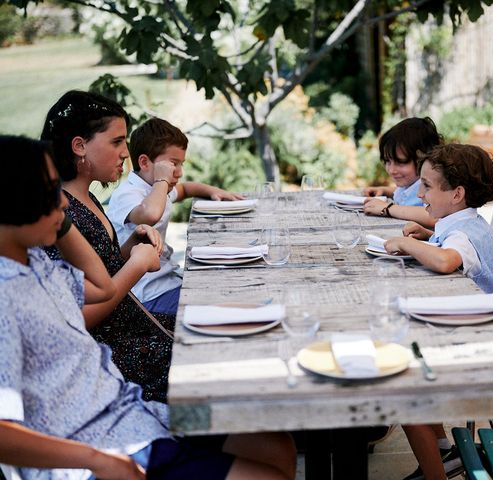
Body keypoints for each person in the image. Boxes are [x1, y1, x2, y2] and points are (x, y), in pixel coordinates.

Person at [0, 135, 296, 480]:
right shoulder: (5, 298)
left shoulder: (38, 265)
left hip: (133, 417)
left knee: (275, 444)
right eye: (50, 192)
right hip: (98, 452)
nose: (63, 203)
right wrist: (96, 459)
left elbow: (102, 285)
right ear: (11, 199)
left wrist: (58, 220)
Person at [40, 90, 174, 403]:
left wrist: (131, 246)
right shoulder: (56, 215)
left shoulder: (87, 197)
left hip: (131, 326)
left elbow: (101, 266)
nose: (125, 153)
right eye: (116, 142)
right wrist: (137, 265)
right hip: (110, 350)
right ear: (79, 146)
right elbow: (78, 318)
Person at [384, 143, 493, 480]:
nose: (419, 192)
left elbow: (448, 260)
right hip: (468, 329)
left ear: (456, 194)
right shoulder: (461, 223)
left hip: (477, 343)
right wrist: (429, 234)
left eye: (428, 186)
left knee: (401, 388)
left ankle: (434, 473)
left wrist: (408, 244)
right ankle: (441, 451)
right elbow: (448, 246)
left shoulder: (463, 233)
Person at [107, 117, 243, 316]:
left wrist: (213, 191)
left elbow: (186, 189)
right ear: (144, 162)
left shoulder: (157, 187)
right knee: (220, 306)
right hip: (147, 295)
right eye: (173, 164)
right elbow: (150, 215)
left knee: (228, 283)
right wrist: (162, 180)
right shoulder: (128, 194)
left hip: (167, 281)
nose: (179, 172)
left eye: (181, 164)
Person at [362, 117, 442, 226]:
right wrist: (385, 191)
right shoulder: (413, 183)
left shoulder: (434, 187)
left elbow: (433, 216)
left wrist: (387, 208)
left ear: (424, 159)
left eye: (401, 162)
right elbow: (408, 193)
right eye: (387, 161)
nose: (391, 170)